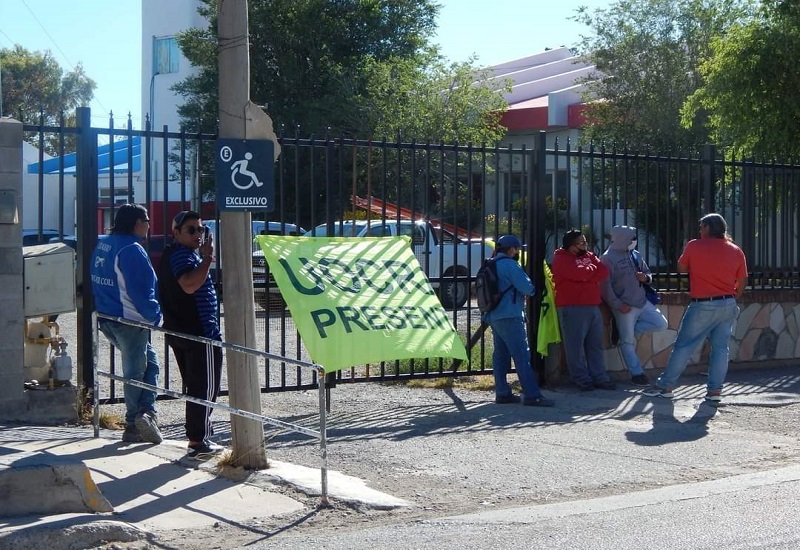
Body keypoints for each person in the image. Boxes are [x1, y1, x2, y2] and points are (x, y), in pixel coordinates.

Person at [645, 213, 747, 402]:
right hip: (728, 303)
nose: (699, 230)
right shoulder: (735, 250)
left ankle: (665, 385)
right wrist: (732, 297)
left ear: (708, 228)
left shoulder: (694, 245)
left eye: (701, 227)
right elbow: (742, 281)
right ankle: (714, 391)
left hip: (703, 303)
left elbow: (682, 269)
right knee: (721, 348)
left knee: (684, 345)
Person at [90, 203, 163, 444]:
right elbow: (141, 290)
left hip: (108, 317)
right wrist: (154, 315)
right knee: (135, 371)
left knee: (150, 364)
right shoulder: (132, 249)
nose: (150, 225)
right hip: (130, 320)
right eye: (148, 221)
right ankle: (134, 422)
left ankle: (146, 414)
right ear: (137, 223)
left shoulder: (105, 243)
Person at [157, 211, 224, 457]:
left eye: (200, 229)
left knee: (199, 386)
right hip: (198, 333)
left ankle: (199, 435)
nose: (198, 234)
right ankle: (199, 440)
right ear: (177, 233)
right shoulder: (182, 256)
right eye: (191, 230)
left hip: (185, 331)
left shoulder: (177, 255)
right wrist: (207, 260)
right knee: (205, 388)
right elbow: (188, 285)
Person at [482, 235, 554, 407]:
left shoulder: (490, 264)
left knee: (500, 355)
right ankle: (532, 395)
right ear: (511, 249)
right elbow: (527, 288)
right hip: (510, 315)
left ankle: (502, 393)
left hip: (493, 315)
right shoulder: (510, 265)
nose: (518, 252)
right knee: (522, 354)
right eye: (517, 249)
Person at [601, 225, 668, 386]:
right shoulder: (607, 258)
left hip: (642, 302)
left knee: (661, 324)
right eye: (631, 238)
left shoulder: (635, 254)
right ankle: (637, 373)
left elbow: (648, 273)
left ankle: (625, 334)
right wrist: (617, 305)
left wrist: (645, 278)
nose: (634, 241)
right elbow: (605, 286)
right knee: (627, 342)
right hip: (625, 307)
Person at [552, 229, 616, 391]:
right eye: (581, 243)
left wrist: (588, 274)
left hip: (592, 305)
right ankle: (581, 378)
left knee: (594, 345)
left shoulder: (589, 255)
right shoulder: (561, 259)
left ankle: (599, 377)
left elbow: (603, 271)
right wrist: (589, 274)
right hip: (572, 306)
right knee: (575, 346)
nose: (585, 245)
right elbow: (578, 274)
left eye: (585, 242)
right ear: (571, 246)